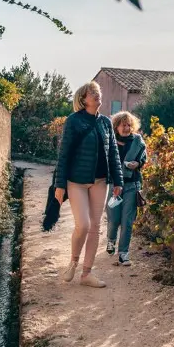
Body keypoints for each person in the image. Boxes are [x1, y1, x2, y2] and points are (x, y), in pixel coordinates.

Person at [52, 82, 123, 287]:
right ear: (83, 99)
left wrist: (118, 180)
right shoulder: (73, 121)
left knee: (95, 228)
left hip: (101, 181)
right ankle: (73, 263)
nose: (97, 95)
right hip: (77, 181)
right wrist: (60, 185)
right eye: (93, 93)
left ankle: (86, 274)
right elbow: (64, 154)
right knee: (83, 225)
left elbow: (113, 154)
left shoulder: (106, 123)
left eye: (98, 92)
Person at [106, 112, 148, 266]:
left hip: (132, 185)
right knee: (113, 219)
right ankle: (111, 241)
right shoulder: (111, 141)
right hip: (114, 185)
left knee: (127, 221)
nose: (126, 127)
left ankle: (123, 253)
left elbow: (143, 157)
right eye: (123, 124)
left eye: (129, 125)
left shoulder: (137, 141)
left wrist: (138, 163)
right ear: (116, 126)